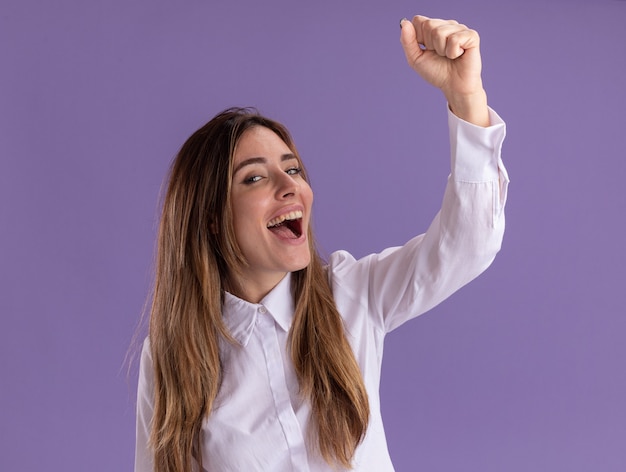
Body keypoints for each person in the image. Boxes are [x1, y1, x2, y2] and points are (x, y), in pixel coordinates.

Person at [135, 15, 509, 472]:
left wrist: (466, 96)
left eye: (292, 169)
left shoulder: (352, 293)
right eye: (254, 177)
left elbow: (469, 243)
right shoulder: (173, 356)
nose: (288, 185)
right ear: (211, 219)